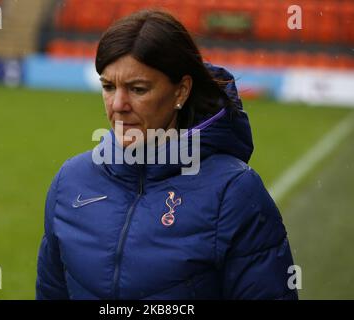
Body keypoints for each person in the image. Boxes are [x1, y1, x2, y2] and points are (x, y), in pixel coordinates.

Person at [36, 9, 298, 300]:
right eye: (108, 87)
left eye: (138, 89)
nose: (118, 104)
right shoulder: (70, 182)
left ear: (181, 91)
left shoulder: (233, 193)